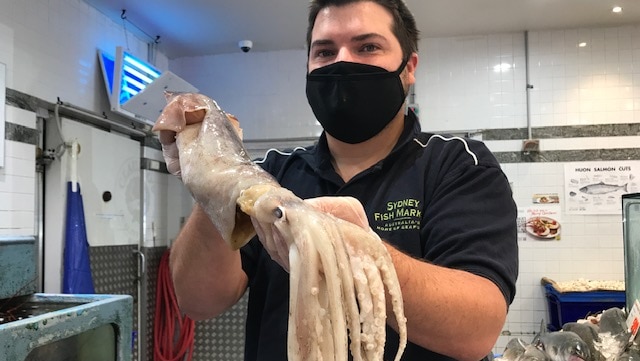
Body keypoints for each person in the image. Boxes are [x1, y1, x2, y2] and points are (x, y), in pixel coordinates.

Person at [159, 0, 519, 360]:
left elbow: (476, 330)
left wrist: (354, 250)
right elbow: (198, 301)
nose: (343, 62)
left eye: (368, 47)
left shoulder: (457, 165)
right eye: (325, 51)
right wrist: (214, 178)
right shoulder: (270, 174)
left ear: (409, 68)